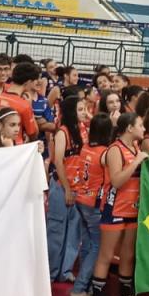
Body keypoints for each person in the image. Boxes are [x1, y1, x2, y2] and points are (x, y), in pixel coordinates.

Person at [87, 112, 147, 296]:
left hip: (133, 209)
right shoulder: (115, 149)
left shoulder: (136, 148)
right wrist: (137, 162)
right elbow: (117, 181)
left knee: (128, 256)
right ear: (130, 128)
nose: (144, 128)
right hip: (114, 209)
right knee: (106, 256)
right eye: (140, 124)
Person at [70, 113, 112, 296]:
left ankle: (82, 286)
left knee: (87, 245)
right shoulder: (105, 153)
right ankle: (79, 288)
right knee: (97, 247)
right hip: (94, 203)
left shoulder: (86, 146)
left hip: (81, 199)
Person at [48, 93, 86, 283]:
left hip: (80, 188)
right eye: (80, 109)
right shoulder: (62, 132)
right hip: (62, 187)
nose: (84, 113)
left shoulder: (83, 129)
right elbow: (59, 162)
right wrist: (67, 189)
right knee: (56, 231)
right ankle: (51, 271)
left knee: (74, 233)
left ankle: (65, 271)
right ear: (71, 112)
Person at [0, 61, 40, 144]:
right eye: (35, 81)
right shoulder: (24, 105)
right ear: (28, 82)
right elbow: (33, 134)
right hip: (15, 148)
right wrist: (30, 106)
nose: (37, 83)